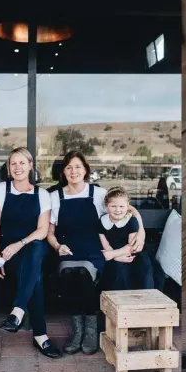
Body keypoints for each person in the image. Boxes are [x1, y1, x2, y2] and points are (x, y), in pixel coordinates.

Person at [47, 151, 146, 355]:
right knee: (69, 274)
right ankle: (77, 331)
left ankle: (90, 330)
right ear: (63, 172)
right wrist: (57, 246)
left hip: (94, 250)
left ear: (85, 170)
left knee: (83, 274)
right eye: (69, 167)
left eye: (78, 167)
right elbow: (49, 232)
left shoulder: (98, 194)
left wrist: (141, 231)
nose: (74, 171)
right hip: (68, 249)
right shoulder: (54, 197)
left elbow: (130, 210)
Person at [0, 147, 61, 359]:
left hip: (29, 248)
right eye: (13, 164)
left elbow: (42, 231)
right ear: (9, 169)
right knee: (35, 276)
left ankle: (18, 311)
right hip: (7, 255)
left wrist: (20, 243)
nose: (18, 167)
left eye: (22, 163)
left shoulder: (42, 194)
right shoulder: (1, 190)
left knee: (37, 248)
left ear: (31, 166)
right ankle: (40, 335)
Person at [98, 186, 154, 291]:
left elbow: (132, 246)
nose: (118, 210)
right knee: (116, 271)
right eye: (113, 206)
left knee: (143, 272)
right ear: (106, 206)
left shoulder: (131, 220)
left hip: (133, 254)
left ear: (128, 206)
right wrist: (114, 256)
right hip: (114, 253)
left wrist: (112, 255)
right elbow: (105, 244)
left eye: (121, 206)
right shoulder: (102, 221)